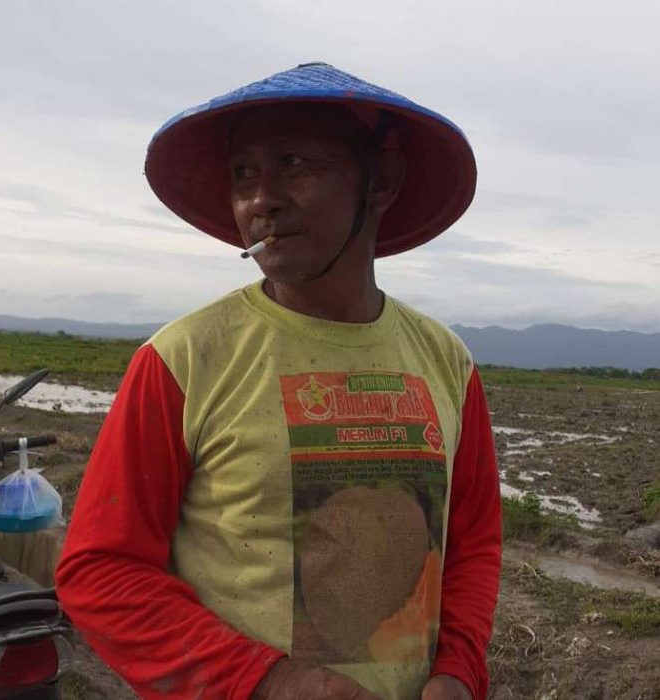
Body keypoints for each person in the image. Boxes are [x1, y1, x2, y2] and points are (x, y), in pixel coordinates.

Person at [56, 63, 502, 700]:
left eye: (292, 161)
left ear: (383, 179)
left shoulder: (448, 363)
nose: (258, 199)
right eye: (242, 173)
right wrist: (270, 681)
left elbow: (473, 541)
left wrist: (457, 672)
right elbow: (101, 571)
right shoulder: (182, 360)